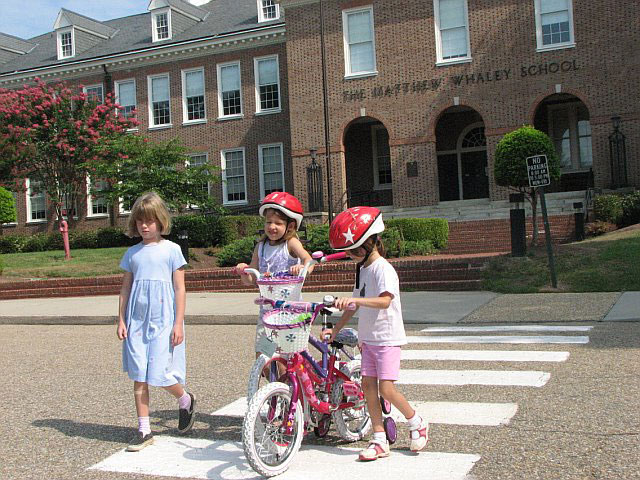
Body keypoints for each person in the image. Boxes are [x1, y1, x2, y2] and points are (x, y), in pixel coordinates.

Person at [327, 206, 428, 461]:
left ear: (370, 242)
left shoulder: (383, 269)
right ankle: (379, 437)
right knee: (368, 388)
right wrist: (336, 327)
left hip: (387, 339)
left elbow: (384, 301)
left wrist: (356, 302)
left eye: (354, 249)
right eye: (349, 251)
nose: (351, 255)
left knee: (386, 389)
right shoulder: (362, 270)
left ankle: (416, 422)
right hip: (368, 339)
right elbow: (355, 302)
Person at [116, 192, 195, 452]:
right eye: (140, 221)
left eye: (150, 221)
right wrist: (121, 320)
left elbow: (180, 289)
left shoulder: (172, 250)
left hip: (163, 321)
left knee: (160, 375)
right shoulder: (133, 253)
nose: (144, 226)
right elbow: (125, 289)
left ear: (160, 221)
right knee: (139, 375)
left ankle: (184, 399)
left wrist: (178, 323)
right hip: (136, 322)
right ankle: (144, 430)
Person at [235, 191, 313, 357]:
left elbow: (308, 260)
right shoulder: (261, 246)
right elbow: (252, 279)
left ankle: (285, 382)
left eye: (278, 223)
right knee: (262, 353)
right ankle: (273, 380)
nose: (272, 227)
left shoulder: (291, 243)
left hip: (289, 309)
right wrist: (244, 271)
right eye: (269, 222)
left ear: (290, 226)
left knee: (283, 355)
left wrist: (302, 268)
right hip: (267, 308)